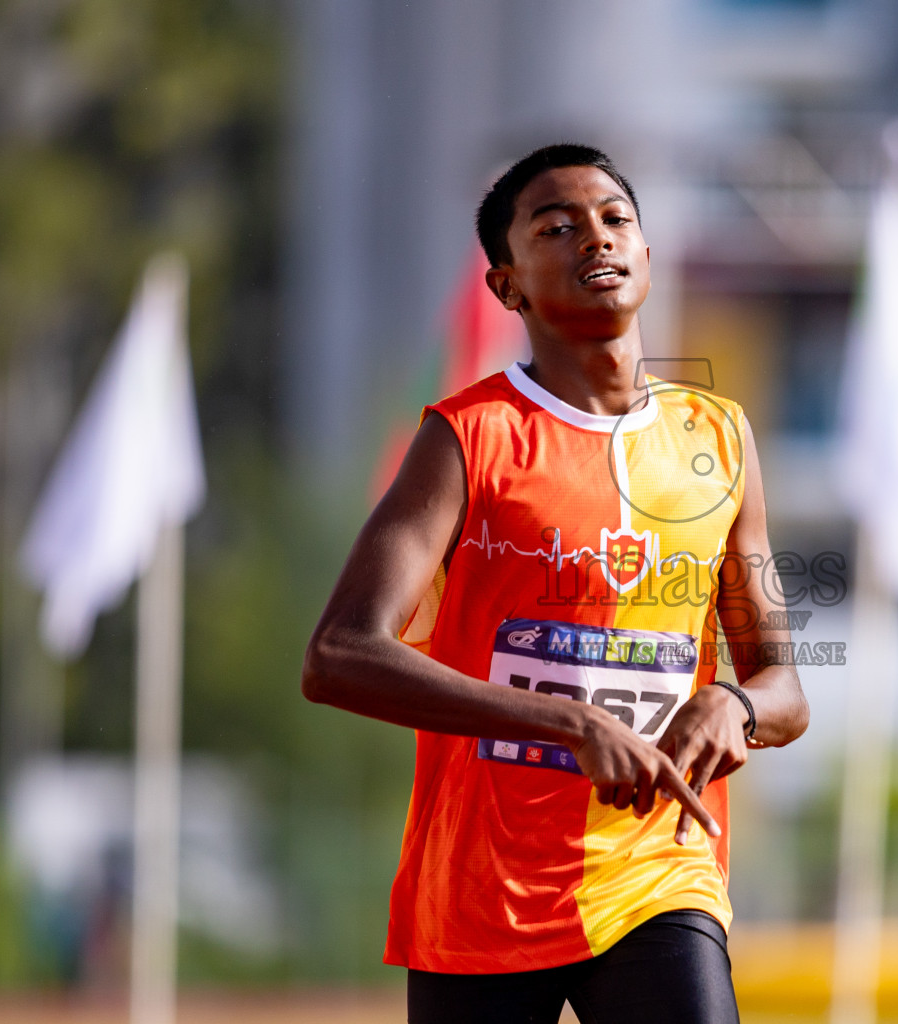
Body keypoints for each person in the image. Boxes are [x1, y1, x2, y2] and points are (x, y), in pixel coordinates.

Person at [302, 143, 809, 1024]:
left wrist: (736, 703)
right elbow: (338, 655)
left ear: (648, 255)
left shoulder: (720, 438)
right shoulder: (468, 437)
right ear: (508, 287)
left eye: (616, 220)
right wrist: (568, 722)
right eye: (558, 227)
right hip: (481, 889)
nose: (596, 240)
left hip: (661, 872)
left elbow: (785, 687)